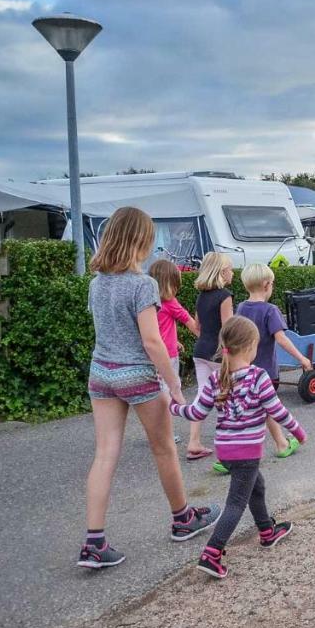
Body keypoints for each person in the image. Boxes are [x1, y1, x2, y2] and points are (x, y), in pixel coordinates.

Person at [78, 206, 218, 570]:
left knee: (105, 454)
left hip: (102, 374)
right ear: (141, 241)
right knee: (163, 450)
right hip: (137, 375)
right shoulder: (142, 285)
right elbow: (153, 343)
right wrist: (173, 386)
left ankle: (94, 543)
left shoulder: (97, 283)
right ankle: (183, 518)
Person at [170, 315, 305, 579]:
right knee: (235, 504)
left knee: (257, 486)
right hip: (247, 452)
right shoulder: (258, 377)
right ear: (251, 347)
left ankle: (266, 531)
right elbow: (275, 410)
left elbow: (197, 412)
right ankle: (212, 552)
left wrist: (174, 407)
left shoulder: (215, 379)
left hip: (227, 452)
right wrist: (297, 431)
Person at [229, 263, 313, 473]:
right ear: (267, 285)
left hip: (242, 369)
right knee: (265, 409)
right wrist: (301, 358)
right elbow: (281, 338)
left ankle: (281, 443)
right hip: (265, 371)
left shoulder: (241, 308)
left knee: (253, 409)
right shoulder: (270, 310)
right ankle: (238, 455)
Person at [148, 259, 200, 447]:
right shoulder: (170, 302)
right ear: (170, 283)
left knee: (156, 394)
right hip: (167, 356)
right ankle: (166, 434)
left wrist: (174, 339)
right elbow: (190, 322)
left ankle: (155, 432)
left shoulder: (149, 302)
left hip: (151, 356)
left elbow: (159, 328)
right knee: (170, 391)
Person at [188, 252, 233, 460]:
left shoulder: (201, 296)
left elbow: (197, 326)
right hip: (218, 354)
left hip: (200, 351)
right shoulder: (224, 296)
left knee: (202, 395)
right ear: (222, 272)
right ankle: (229, 442)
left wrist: (206, 338)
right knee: (226, 396)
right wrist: (227, 353)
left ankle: (193, 441)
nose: (232, 272)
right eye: (230, 269)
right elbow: (228, 329)